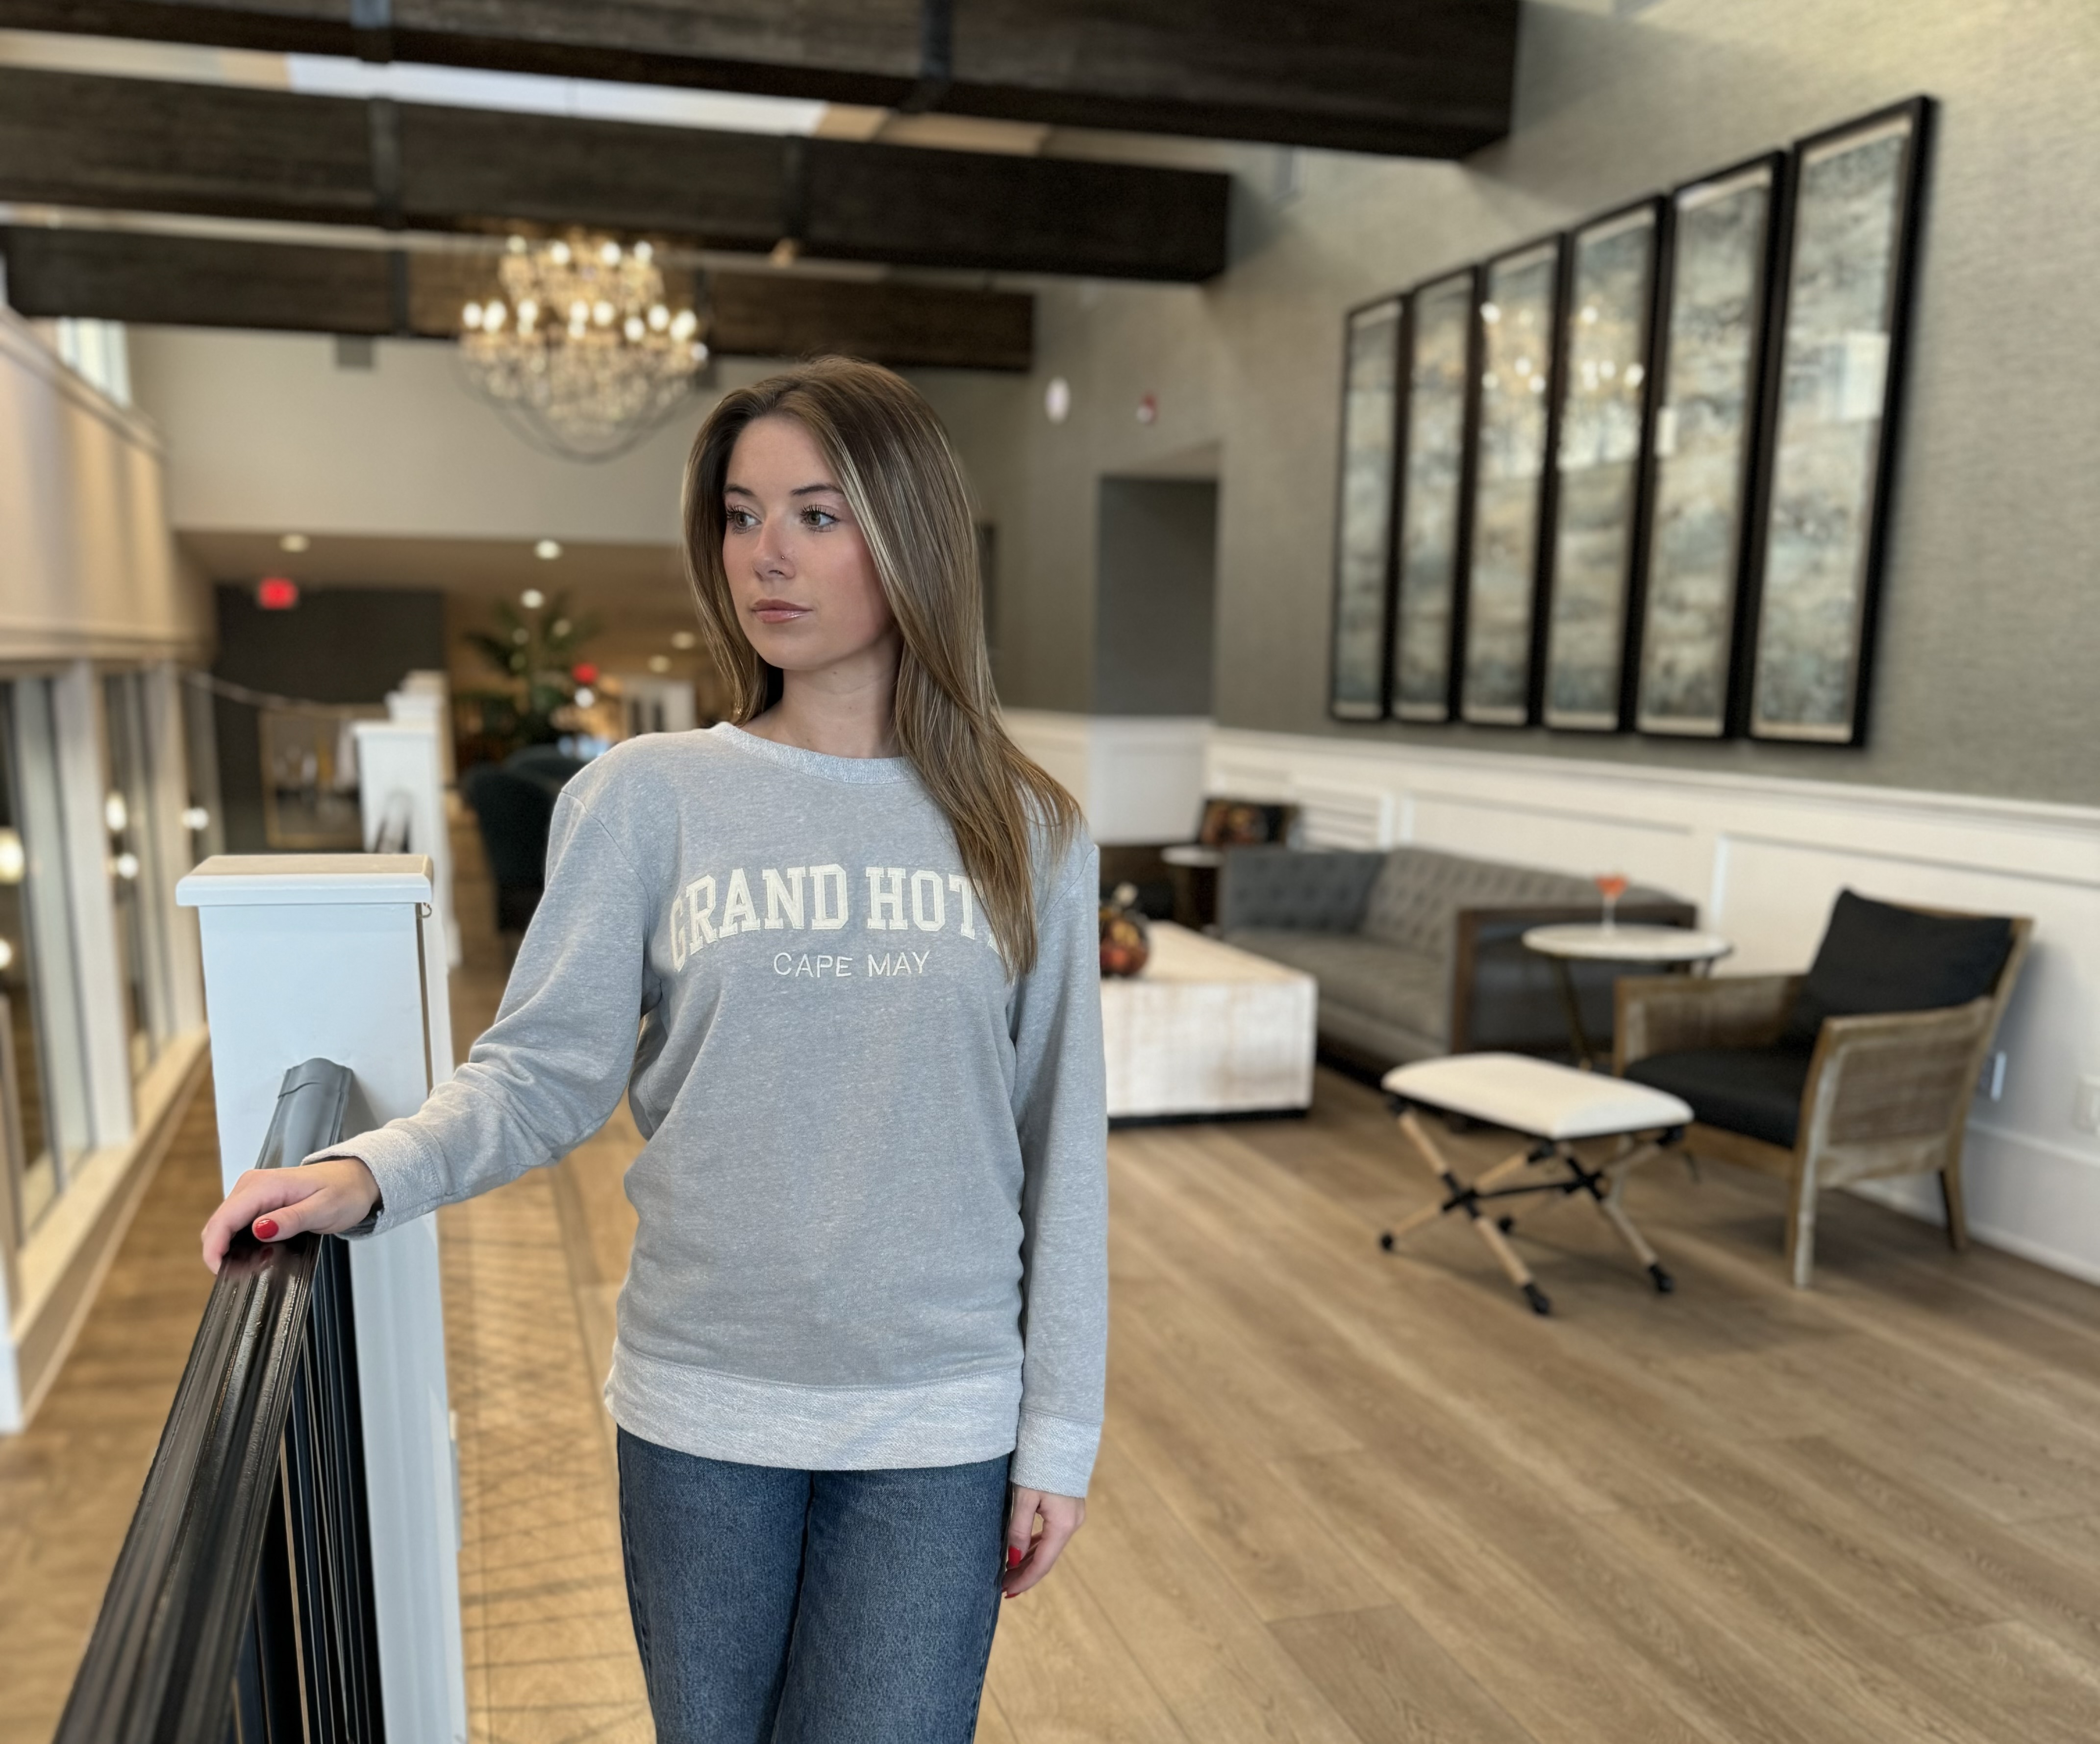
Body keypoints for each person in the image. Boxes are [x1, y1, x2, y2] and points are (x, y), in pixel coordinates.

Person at [201, 357, 1109, 1744]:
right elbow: (546, 1069)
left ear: (910, 534)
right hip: (705, 1406)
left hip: (934, 1419)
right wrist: (371, 1172)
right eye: (741, 517)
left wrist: (1057, 1436)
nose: (766, 556)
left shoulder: (1028, 827)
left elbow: (1064, 1151)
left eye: (817, 514)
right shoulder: (646, 799)